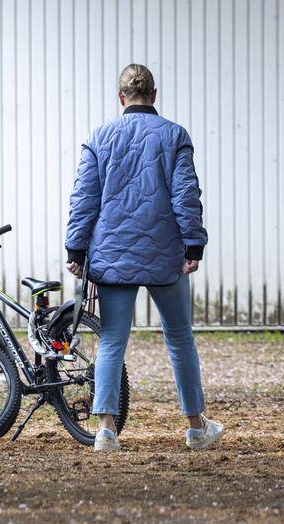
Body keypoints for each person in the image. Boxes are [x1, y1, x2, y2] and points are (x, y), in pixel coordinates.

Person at [65, 63, 221, 453]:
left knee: (113, 340)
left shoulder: (99, 137)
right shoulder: (173, 135)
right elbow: (186, 195)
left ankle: (104, 430)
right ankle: (196, 427)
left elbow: (84, 199)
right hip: (164, 253)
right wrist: (193, 245)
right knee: (180, 339)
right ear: (154, 95)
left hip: (112, 253)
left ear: (121, 98)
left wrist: (75, 248)